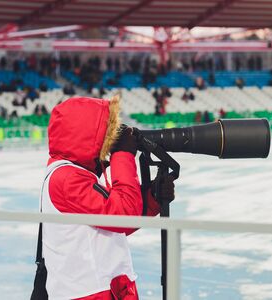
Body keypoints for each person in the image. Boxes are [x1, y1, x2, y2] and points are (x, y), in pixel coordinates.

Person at [35, 95, 175, 299]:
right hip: (91, 293)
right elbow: (122, 216)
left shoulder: (78, 173)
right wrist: (123, 155)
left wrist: (152, 198)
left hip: (103, 290)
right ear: (87, 135)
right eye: (106, 131)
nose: (110, 139)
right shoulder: (66, 178)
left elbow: (113, 226)